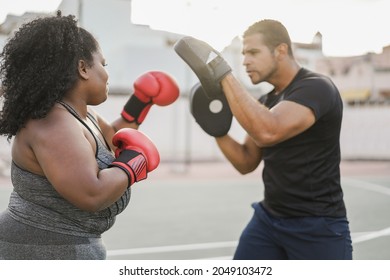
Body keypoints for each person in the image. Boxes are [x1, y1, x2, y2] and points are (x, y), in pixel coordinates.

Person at [0, 11, 179, 260]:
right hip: (43, 250)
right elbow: (92, 194)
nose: (106, 74)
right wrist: (133, 164)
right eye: (103, 64)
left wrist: (141, 101)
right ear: (83, 68)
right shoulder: (53, 124)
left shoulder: (81, 115)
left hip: (67, 244)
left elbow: (113, 138)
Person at [175, 19, 353, 260]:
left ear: (281, 51)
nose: (245, 61)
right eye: (243, 53)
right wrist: (216, 128)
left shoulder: (316, 87)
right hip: (269, 220)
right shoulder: (267, 101)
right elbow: (245, 161)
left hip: (317, 224)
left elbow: (268, 131)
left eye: (253, 52)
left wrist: (220, 69)